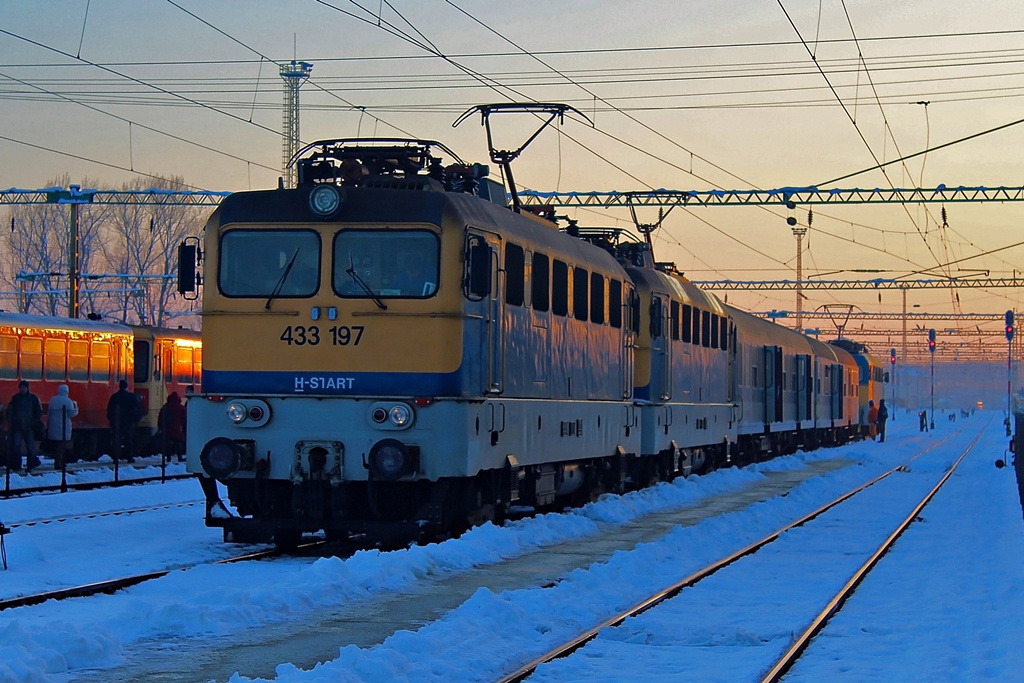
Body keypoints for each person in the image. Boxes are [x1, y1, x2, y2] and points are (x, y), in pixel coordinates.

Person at [7, 380, 43, 473]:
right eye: (21, 387)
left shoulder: (22, 398)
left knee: (28, 447)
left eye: (24, 387)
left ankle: (28, 466)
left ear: (27, 388)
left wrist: (33, 422)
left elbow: (38, 412)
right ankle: (19, 466)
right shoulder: (27, 398)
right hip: (20, 426)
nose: (22, 389)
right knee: (19, 447)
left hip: (27, 426)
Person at [107, 379, 142, 463]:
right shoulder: (131, 397)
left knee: (116, 440)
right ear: (126, 386)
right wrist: (136, 419)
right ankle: (129, 457)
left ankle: (116, 458)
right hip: (128, 422)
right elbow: (138, 409)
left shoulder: (114, 397)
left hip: (116, 422)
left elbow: (109, 409)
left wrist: (111, 419)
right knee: (128, 440)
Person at [46, 384, 79, 469]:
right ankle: (59, 463)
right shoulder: (68, 401)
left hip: (53, 425)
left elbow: (49, 413)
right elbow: (72, 414)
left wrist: (48, 424)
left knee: (56, 445)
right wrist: (75, 406)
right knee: (61, 446)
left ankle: (58, 462)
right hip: (64, 426)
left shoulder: (52, 400)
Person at [158, 392, 187, 461]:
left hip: (167, 429)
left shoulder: (165, 406)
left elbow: (161, 418)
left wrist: (160, 427)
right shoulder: (181, 407)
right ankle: (179, 457)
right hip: (177, 429)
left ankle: (168, 457)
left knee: (167, 444)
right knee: (178, 444)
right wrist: (183, 427)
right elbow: (184, 419)